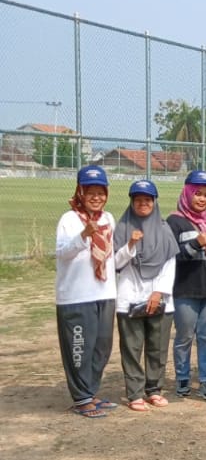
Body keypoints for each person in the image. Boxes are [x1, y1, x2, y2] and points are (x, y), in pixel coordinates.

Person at [56, 165, 125, 417]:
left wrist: (130, 247)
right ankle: (81, 398)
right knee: (80, 348)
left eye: (101, 192)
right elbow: (62, 253)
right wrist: (83, 235)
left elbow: (112, 258)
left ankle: (91, 391)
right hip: (77, 296)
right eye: (91, 192)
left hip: (104, 292)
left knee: (102, 347)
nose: (96, 197)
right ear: (80, 192)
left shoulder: (108, 219)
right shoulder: (69, 219)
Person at [114, 180, 179, 412]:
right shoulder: (122, 227)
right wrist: (130, 244)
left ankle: (154, 390)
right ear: (132, 202)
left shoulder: (164, 229)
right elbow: (116, 264)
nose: (143, 203)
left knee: (157, 347)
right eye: (138, 199)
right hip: (129, 296)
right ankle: (134, 393)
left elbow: (170, 263)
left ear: (154, 202)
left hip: (160, 297)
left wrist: (158, 292)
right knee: (131, 348)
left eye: (147, 199)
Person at [168, 169, 206, 401]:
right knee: (184, 337)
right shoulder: (175, 221)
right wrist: (195, 245)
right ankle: (182, 378)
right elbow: (170, 256)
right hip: (185, 289)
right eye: (197, 193)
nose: (202, 199)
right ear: (187, 193)